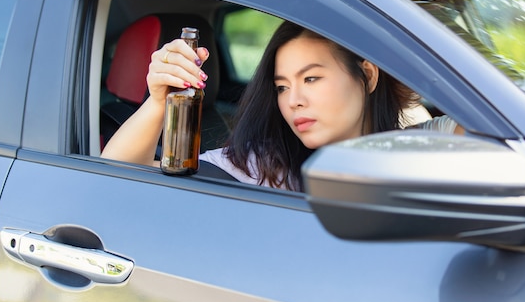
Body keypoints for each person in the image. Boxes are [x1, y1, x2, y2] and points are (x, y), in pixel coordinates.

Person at [102, 20, 460, 191]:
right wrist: (157, 102)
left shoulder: (416, 142)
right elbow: (115, 178)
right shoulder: (268, 166)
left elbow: (501, 128)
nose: (293, 101)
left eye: (311, 79)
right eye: (281, 86)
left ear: (366, 75)